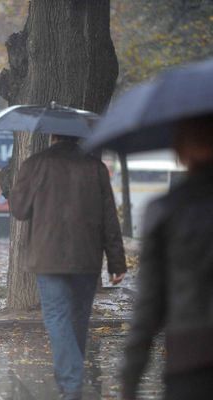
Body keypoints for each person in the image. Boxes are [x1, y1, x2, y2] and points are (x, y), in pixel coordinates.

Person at [8, 135, 127, 400]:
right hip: (87, 257)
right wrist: (117, 261)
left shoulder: (36, 164)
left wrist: (18, 183)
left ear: (52, 136)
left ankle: (71, 383)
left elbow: (19, 210)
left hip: (48, 256)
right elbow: (110, 217)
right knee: (78, 319)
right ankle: (70, 380)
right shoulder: (95, 167)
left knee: (57, 316)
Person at [120, 116, 213, 400]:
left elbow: (149, 304)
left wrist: (130, 379)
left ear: (182, 149)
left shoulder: (166, 210)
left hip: (191, 359)